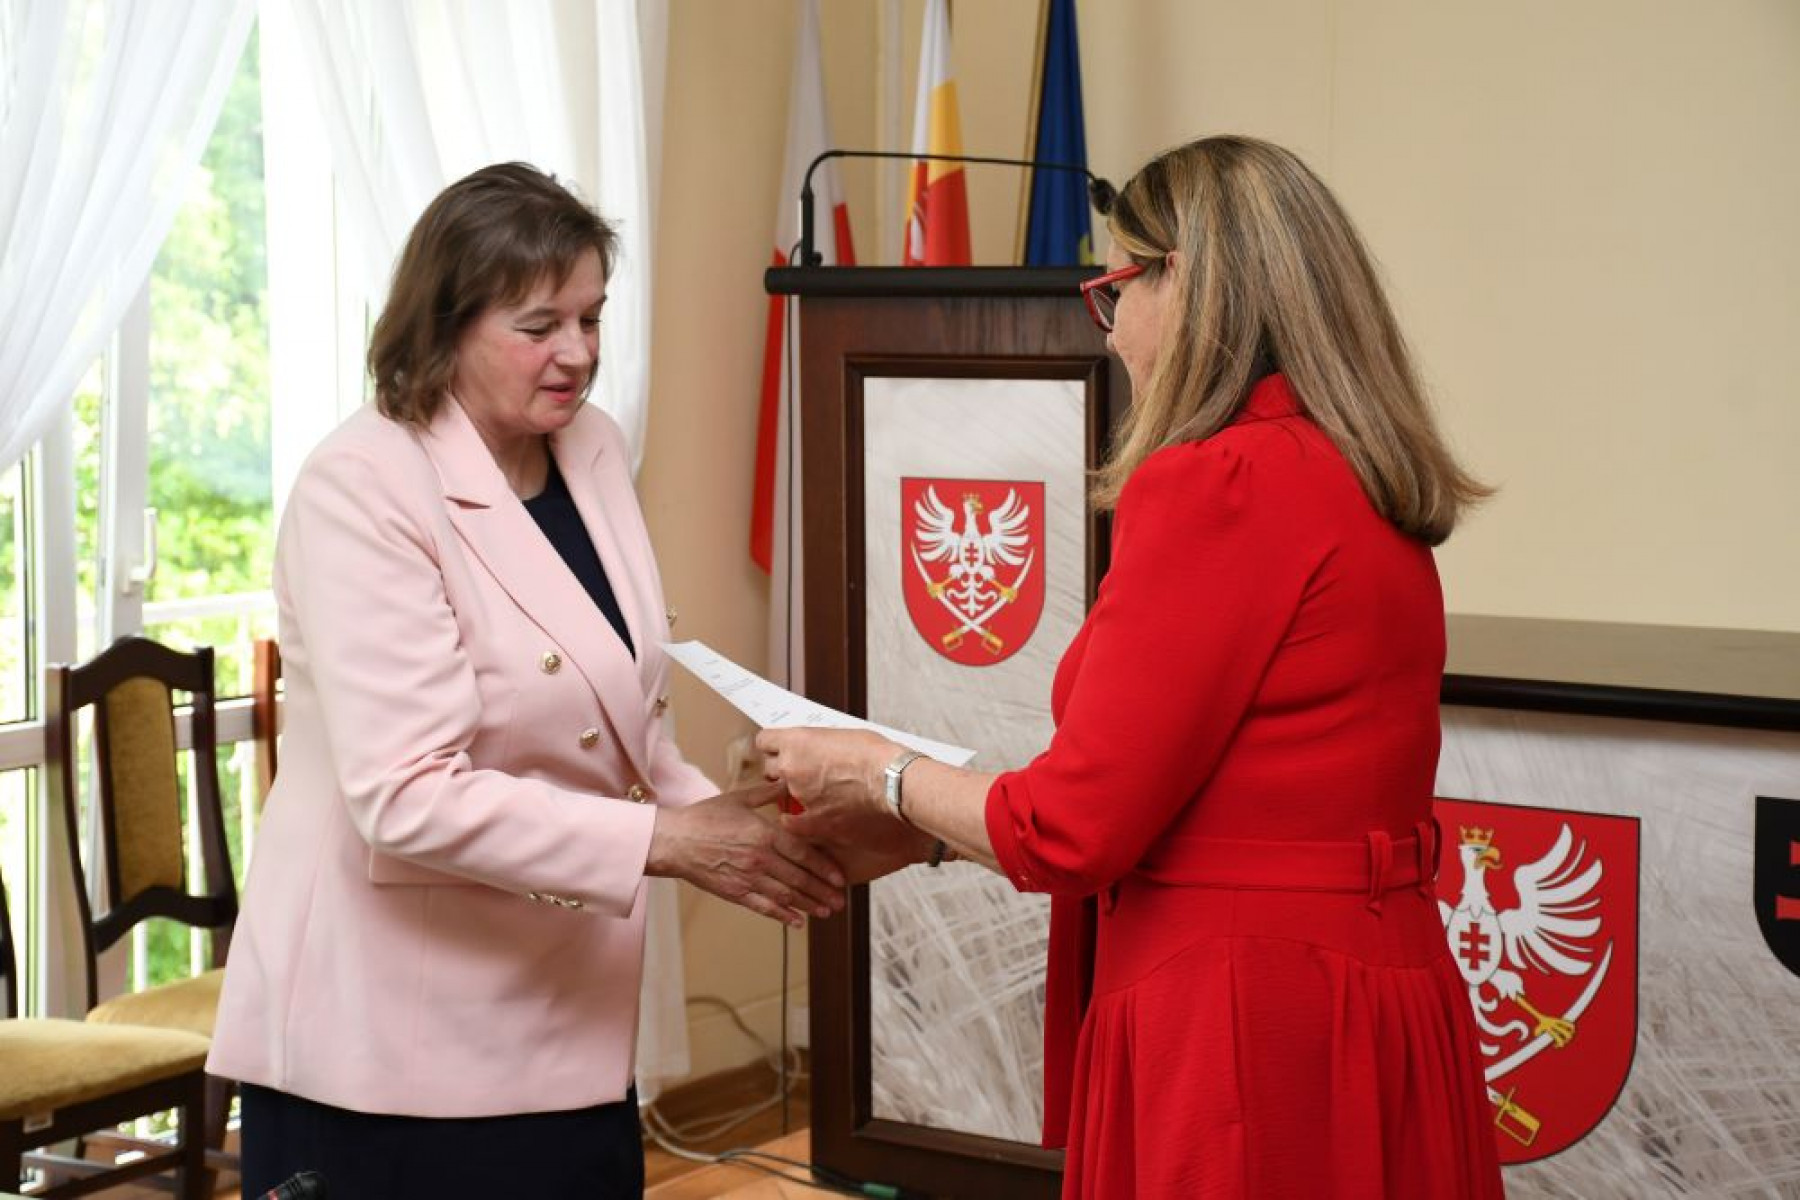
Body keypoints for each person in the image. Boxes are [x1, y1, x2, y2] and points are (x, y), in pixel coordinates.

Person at [757, 135, 1506, 1198]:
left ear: (1188, 287)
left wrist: (871, 768)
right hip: (1377, 984)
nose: (1109, 330)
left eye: (1116, 288)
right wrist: (929, 831)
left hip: (1241, 1017)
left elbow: (1072, 828)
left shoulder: (1220, 483)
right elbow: (1227, 808)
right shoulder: (1357, 472)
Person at [209, 163, 846, 1200]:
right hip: (393, 1049)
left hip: (569, 1016)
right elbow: (407, 793)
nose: (580, 353)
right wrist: (675, 843)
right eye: (540, 324)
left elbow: (622, 731)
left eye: (592, 318)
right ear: (445, 326)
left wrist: (754, 832)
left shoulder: (589, 447)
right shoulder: (363, 485)